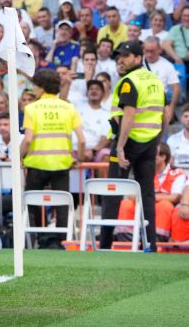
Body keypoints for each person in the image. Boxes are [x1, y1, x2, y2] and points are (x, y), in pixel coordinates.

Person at [100, 41, 165, 251]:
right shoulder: (155, 80)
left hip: (128, 143)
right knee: (147, 194)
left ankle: (105, 245)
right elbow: (163, 114)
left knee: (113, 192)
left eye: (126, 56)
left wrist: (120, 147)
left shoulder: (129, 81)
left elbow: (129, 115)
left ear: (138, 58)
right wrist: (157, 140)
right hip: (150, 142)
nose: (121, 60)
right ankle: (151, 245)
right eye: (119, 56)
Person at [20, 69, 86, 244]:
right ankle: (62, 241)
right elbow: (82, 140)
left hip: (36, 164)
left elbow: (27, 140)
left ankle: (38, 239)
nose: (33, 88)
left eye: (34, 85)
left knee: (33, 204)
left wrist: (19, 157)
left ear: (41, 87)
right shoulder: (68, 107)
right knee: (62, 205)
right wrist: (78, 158)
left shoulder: (31, 108)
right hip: (61, 164)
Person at [117, 144, 186, 242]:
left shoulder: (177, 173)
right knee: (126, 203)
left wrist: (149, 198)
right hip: (143, 201)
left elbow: (175, 197)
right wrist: (150, 198)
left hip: (160, 204)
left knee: (164, 205)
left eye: (152, 155)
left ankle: (156, 240)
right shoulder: (141, 170)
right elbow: (132, 195)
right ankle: (125, 238)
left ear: (163, 157)